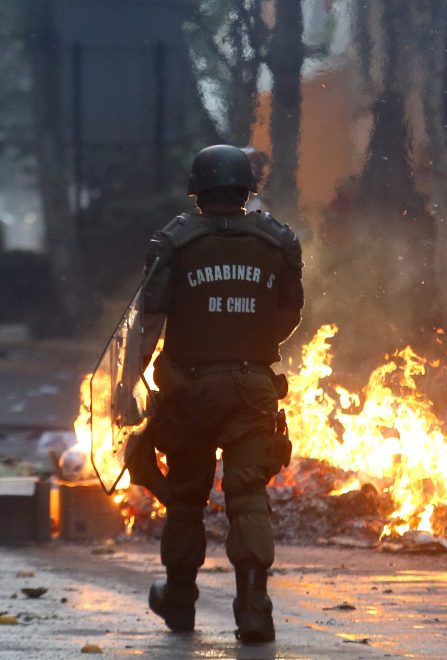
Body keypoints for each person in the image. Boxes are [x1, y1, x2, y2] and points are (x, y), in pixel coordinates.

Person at [136, 144, 303, 643]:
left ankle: (180, 603)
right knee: (248, 498)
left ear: (198, 189)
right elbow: (289, 314)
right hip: (254, 389)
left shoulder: (173, 242)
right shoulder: (277, 241)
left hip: (188, 391)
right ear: (245, 189)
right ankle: (254, 611)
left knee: (186, 497)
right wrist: (249, 342)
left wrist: (128, 384)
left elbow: (148, 323)